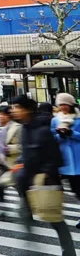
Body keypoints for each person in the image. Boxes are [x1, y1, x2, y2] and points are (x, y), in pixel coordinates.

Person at [10, 95, 79, 256]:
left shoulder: (41, 130)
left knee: (56, 220)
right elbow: (26, 154)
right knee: (25, 216)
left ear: (27, 109)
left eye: (16, 106)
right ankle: (31, 252)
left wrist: (41, 173)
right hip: (28, 183)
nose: (13, 110)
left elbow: (55, 158)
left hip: (43, 183)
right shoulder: (26, 128)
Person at [51, 93, 80, 229]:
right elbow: (52, 138)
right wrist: (60, 135)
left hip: (78, 158)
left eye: (65, 104)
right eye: (60, 104)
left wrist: (71, 133)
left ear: (71, 105)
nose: (63, 107)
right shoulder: (55, 120)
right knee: (75, 189)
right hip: (66, 161)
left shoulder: (79, 118)